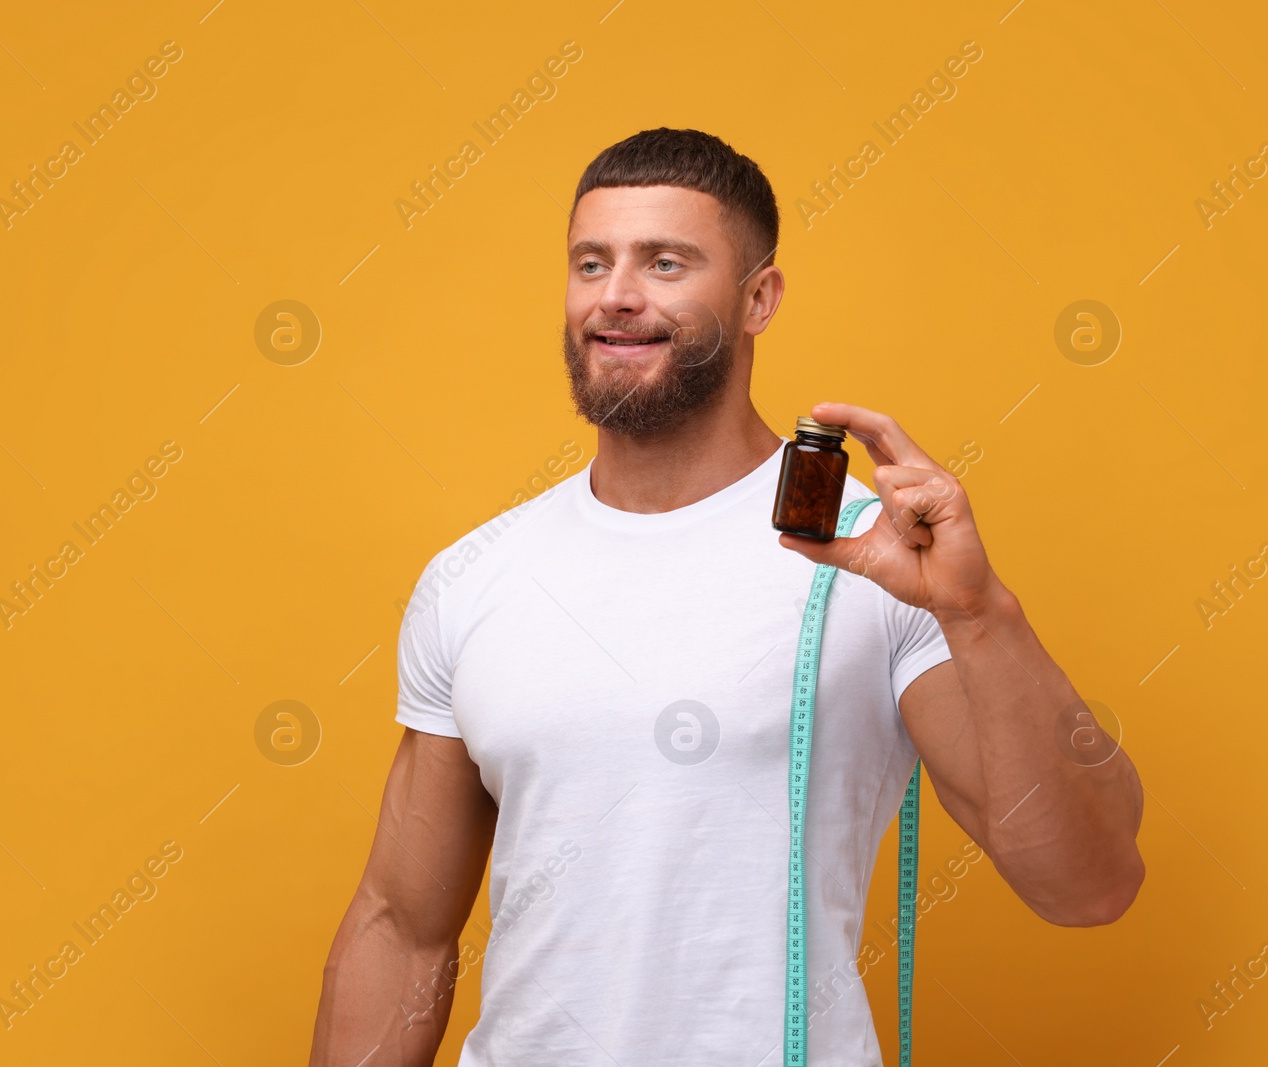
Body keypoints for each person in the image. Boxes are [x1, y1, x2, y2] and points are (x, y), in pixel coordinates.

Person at [309, 127, 1144, 1066]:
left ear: (759, 299)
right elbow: (401, 926)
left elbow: (1090, 882)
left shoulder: (875, 559)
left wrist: (980, 611)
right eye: (593, 263)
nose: (617, 294)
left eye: (665, 262)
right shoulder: (478, 574)